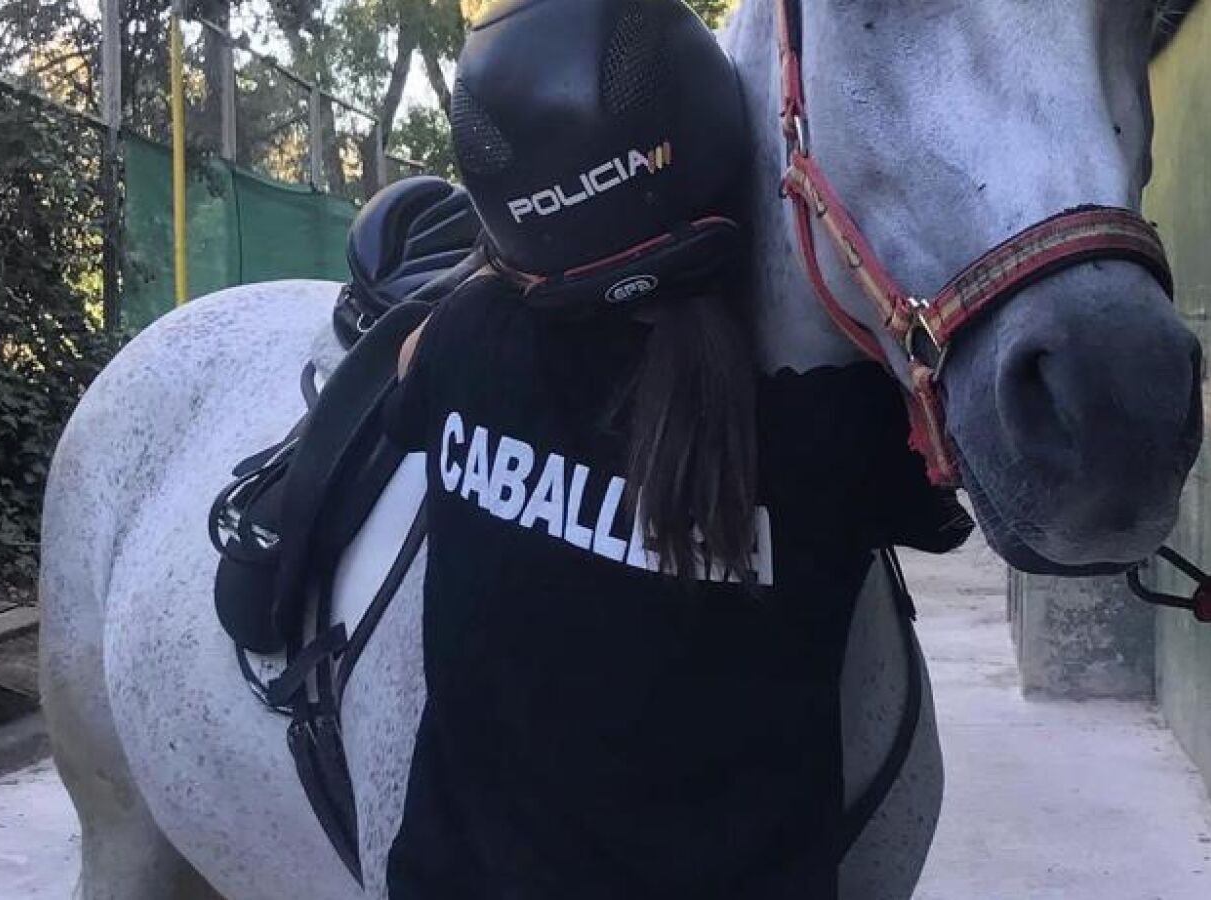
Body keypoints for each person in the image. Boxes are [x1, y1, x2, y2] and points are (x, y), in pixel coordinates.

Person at [382, 0, 971, 896]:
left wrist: (511, 269)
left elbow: (405, 375)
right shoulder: (840, 431)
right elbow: (946, 499)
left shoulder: (463, 344)